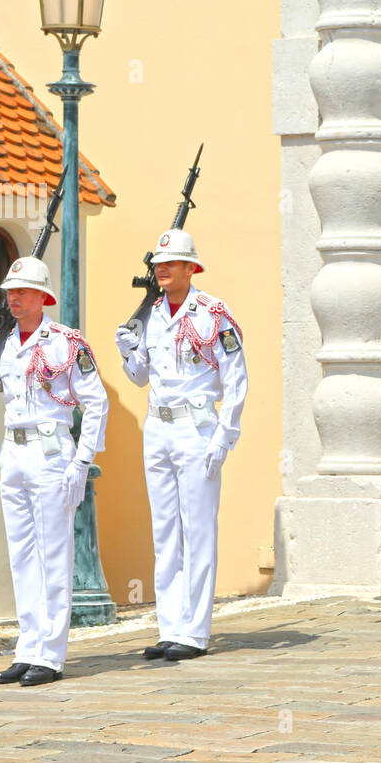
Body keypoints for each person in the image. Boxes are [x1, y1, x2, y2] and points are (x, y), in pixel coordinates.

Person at [113, 230, 247, 661]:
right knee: (165, 531)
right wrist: (126, 352)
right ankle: (170, 626)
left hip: (196, 428)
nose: (162, 269)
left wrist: (225, 435)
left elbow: (236, 377)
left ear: (192, 268)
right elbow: (139, 378)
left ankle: (195, 631)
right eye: (159, 265)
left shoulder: (213, 314)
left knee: (198, 529)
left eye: (172, 263)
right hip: (158, 428)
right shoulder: (150, 315)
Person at [0, 257, 108, 686]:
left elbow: (97, 403)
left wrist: (82, 461)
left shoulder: (67, 342)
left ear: (43, 295)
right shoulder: (4, 341)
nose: (12, 298)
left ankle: (50, 655)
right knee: (22, 555)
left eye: (21, 291)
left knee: (54, 554)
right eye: (9, 292)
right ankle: (27, 646)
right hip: (13, 451)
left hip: (52, 452)